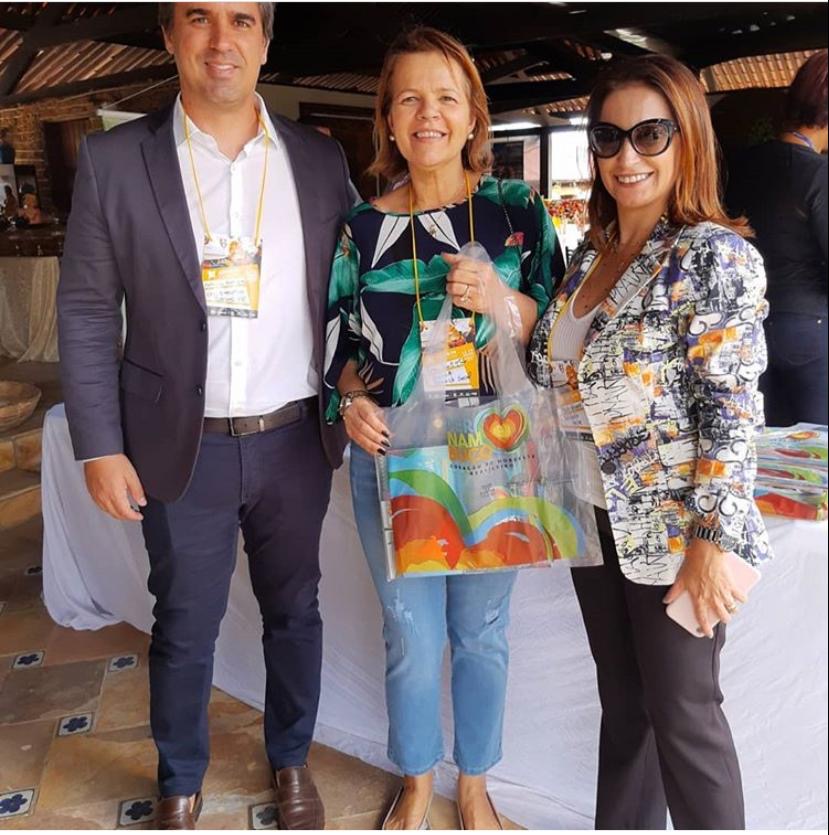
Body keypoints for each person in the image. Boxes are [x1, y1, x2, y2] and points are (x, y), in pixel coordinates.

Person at [57, 3, 352, 829]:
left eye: (242, 20)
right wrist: (98, 445)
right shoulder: (115, 161)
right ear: (169, 35)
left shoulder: (319, 160)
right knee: (185, 623)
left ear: (265, 39)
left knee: (295, 611)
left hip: (294, 439)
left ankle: (290, 758)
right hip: (178, 447)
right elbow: (86, 310)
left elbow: (356, 288)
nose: (222, 41)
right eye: (198, 17)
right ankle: (179, 779)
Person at [323, 26, 564, 831]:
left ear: (472, 118)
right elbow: (340, 345)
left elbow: (559, 329)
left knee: (481, 631)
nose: (428, 113)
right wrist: (350, 401)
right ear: (388, 120)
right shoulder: (360, 228)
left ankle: (476, 782)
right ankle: (417, 778)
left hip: (492, 453)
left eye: (445, 98)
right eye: (409, 99)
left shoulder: (515, 211)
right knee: (409, 632)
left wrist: (500, 296)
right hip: (392, 457)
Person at [528, 55, 771, 829]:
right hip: (591, 516)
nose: (625, 156)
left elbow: (731, 415)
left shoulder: (709, 254)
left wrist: (709, 540)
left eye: (648, 134)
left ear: (685, 139)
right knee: (625, 706)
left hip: (674, 531)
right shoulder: (590, 255)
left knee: (683, 718)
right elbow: (554, 367)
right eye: (608, 137)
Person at [725, 49, 828, 427]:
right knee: (817, 450)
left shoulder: (740, 165)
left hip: (746, 328)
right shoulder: (818, 174)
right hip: (809, 331)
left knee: (764, 444)